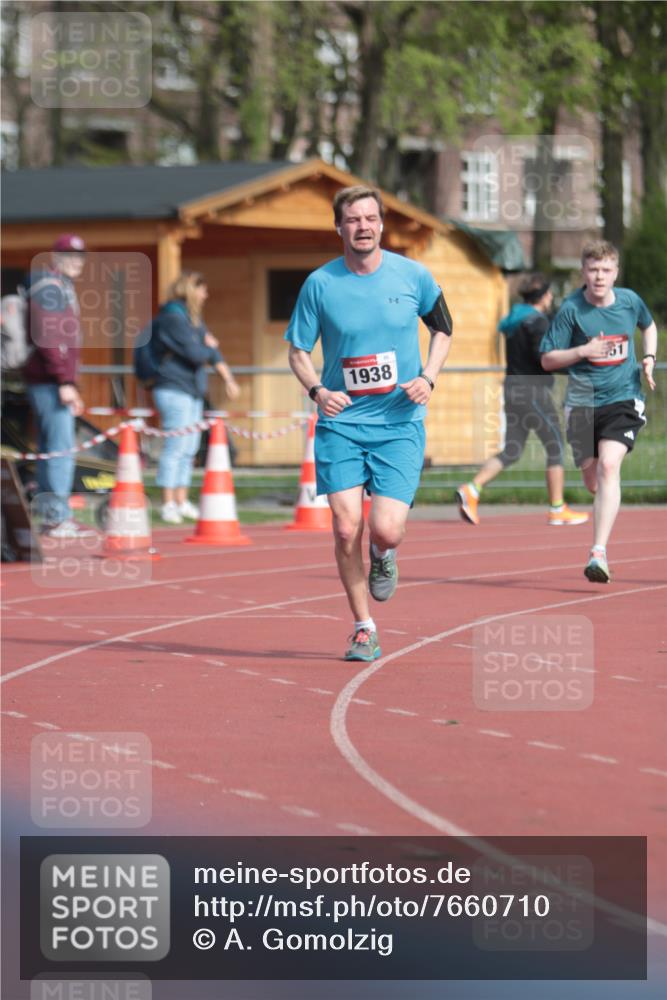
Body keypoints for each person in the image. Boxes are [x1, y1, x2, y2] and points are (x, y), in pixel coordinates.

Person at [285, 185, 453, 661]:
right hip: (341, 423)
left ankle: (383, 554)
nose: (363, 227)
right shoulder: (320, 284)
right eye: (353, 219)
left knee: (387, 529)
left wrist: (428, 377)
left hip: (399, 422)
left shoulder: (413, 276)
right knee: (345, 528)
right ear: (339, 227)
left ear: (381, 224)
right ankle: (364, 628)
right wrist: (318, 391)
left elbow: (443, 328)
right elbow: (297, 351)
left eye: (370, 218)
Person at [540, 240, 657, 583]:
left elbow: (648, 325)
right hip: (581, 403)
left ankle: (598, 552)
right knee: (593, 481)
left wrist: (649, 357)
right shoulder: (571, 310)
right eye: (593, 270)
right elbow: (547, 359)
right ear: (583, 272)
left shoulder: (630, 301)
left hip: (623, 398)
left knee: (609, 465)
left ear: (616, 272)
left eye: (606, 270)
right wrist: (584, 350)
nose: (599, 276)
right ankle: (601, 498)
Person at [456, 274, 588, 527]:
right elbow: (544, 359)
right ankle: (557, 508)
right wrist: (576, 364)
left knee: (512, 450)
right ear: (544, 296)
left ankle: (471, 489)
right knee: (555, 445)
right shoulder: (537, 322)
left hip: (512, 389)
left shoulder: (515, 320)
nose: (551, 297)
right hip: (532, 391)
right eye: (549, 293)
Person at [151, 271, 240, 524]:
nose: (206, 295)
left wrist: (228, 378)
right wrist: (208, 345)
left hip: (192, 391)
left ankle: (181, 501)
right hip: (173, 389)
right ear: (191, 290)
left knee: (189, 449)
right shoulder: (172, 318)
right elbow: (196, 353)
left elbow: (211, 352)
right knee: (176, 447)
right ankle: (167, 503)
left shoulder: (193, 319)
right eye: (202, 290)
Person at [24, 233, 95, 538]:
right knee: (60, 450)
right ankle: (56, 518)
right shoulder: (50, 289)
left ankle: (51, 516)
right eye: (69, 256)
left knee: (50, 450)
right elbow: (50, 338)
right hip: (49, 382)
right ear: (56, 258)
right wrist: (64, 380)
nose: (76, 261)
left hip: (48, 380)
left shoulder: (58, 287)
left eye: (79, 256)